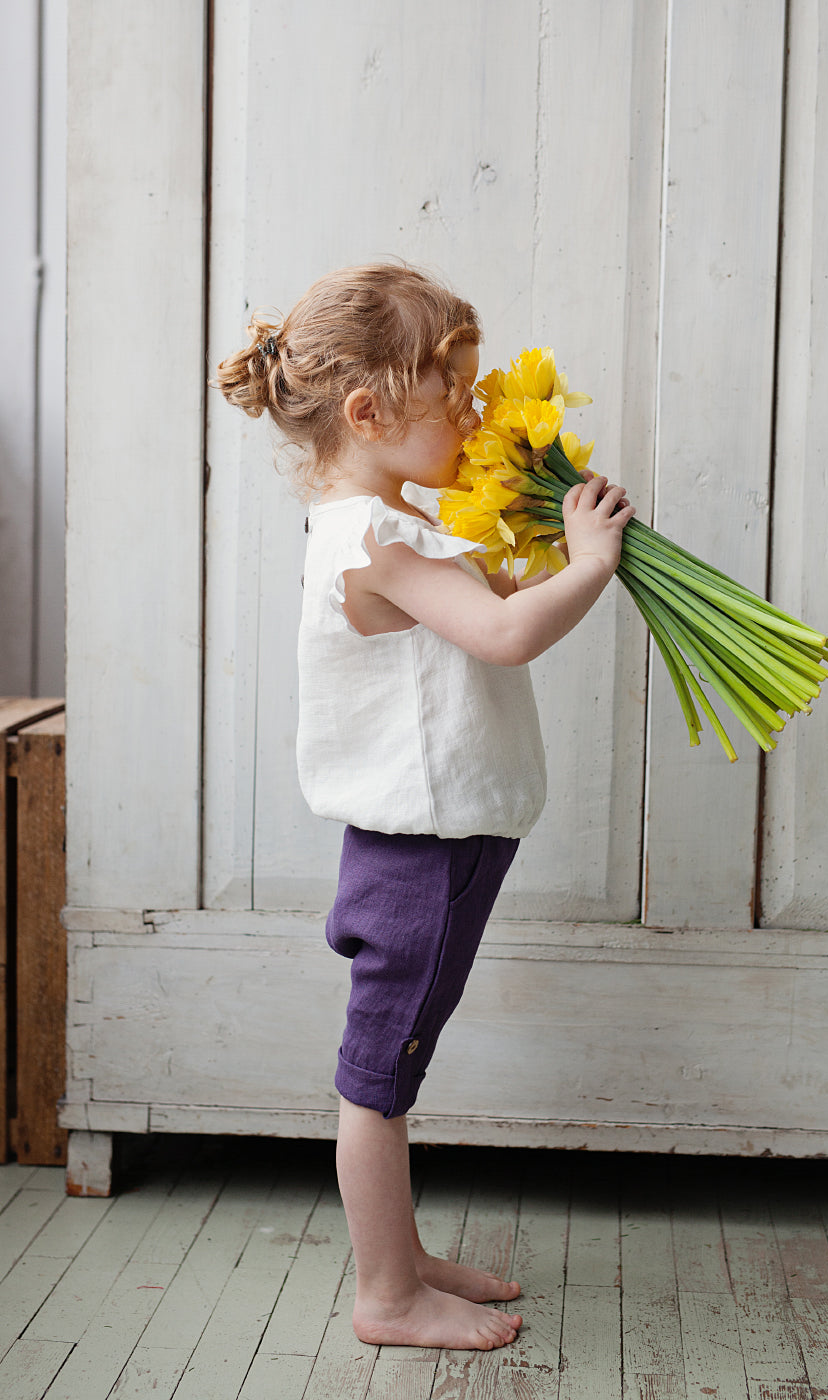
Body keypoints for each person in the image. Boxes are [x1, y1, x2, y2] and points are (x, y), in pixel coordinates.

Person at [215, 263, 634, 1351]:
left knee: (395, 1067)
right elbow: (502, 633)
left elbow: (480, 601)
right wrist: (588, 563)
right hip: (420, 845)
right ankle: (386, 1295)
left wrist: (534, 544)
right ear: (369, 411)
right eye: (457, 389)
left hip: (438, 835)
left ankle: (400, 1259)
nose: (477, 409)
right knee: (379, 1079)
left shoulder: (388, 520)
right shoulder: (373, 538)